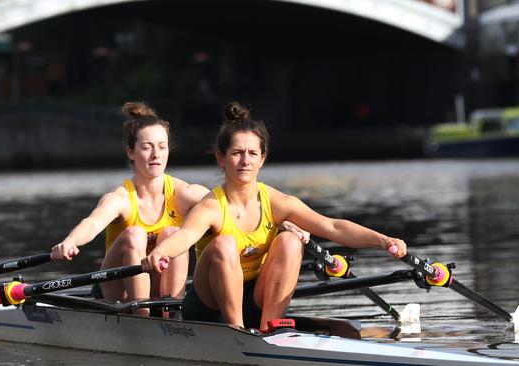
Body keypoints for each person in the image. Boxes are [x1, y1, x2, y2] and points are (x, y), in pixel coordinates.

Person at [142, 101, 407, 331]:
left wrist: (383, 240)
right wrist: (159, 253)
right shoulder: (211, 205)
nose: (245, 160)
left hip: (256, 300)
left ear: (262, 158)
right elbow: (185, 236)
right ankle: (237, 331)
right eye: (237, 153)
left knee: (291, 241)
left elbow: (333, 227)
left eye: (252, 153)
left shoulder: (277, 202)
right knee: (223, 243)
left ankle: (269, 330)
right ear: (221, 158)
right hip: (208, 305)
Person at [50, 102, 210, 313]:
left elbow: (225, 208)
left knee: (174, 234)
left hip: (159, 288)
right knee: (135, 234)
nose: (156, 154)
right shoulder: (122, 198)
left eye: (162, 147)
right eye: (147, 147)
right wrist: (70, 241)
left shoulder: (184, 193)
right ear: (131, 152)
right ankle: (142, 319)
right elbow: (93, 222)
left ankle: (172, 317)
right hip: (116, 293)